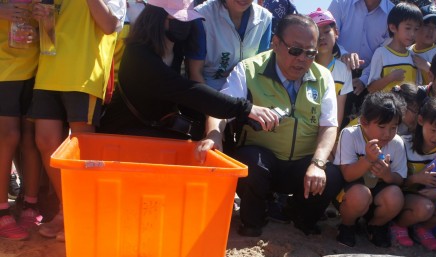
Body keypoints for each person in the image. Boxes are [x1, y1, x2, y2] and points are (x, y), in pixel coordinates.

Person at [198, 14, 344, 237]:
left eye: (310, 53)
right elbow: (221, 110)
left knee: (332, 175)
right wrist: (213, 135)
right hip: (263, 159)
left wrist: (318, 163)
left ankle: (299, 217)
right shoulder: (247, 70)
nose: (303, 59)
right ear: (275, 43)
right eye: (295, 50)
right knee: (250, 165)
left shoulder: (323, 76)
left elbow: (329, 126)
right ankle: (253, 220)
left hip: (302, 165)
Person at [100, 1, 279, 140]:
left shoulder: (177, 49)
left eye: (187, 20)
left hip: (154, 129)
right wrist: (245, 109)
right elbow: (185, 90)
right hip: (122, 132)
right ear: (156, 18)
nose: (183, 24)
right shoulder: (139, 55)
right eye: (177, 19)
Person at [28, 0, 126, 241]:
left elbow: (110, 25)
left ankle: (79, 213)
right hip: (49, 70)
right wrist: (39, 18)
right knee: (45, 142)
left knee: (83, 149)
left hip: (84, 74)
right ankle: (68, 209)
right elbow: (48, 27)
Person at [333, 91, 407, 248]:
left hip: (379, 191)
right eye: (382, 127)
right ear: (364, 122)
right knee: (360, 195)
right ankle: (347, 225)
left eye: (393, 127)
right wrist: (368, 160)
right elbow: (347, 175)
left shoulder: (397, 143)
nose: (387, 134)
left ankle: (375, 226)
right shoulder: (350, 134)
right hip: (352, 190)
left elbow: (400, 178)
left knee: (396, 197)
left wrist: (387, 175)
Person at [391, 96, 436, 250]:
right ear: (421, 120)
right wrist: (417, 179)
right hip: (403, 195)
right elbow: (393, 181)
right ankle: (399, 225)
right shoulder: (403, 144)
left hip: (431, 196)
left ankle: (422, 229)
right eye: (433, 130)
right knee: (425, 208)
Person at [0, 0, 42, 240]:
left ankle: (30, 204)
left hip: (39, 68)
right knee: (8, 136)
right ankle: (2, 210)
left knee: (31, 137)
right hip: (4, 68)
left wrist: (40, 30)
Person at [328, 0, 394, 125]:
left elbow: (385, 51)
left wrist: (364, 78)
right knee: (331, 123)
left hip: (372, 80)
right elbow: (325, 33)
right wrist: (343, 55)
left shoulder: (393, 13)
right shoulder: (340, 3)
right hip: (335, 74)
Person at [187, 0, 272, 90]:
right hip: (210, 90)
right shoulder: (201, 16)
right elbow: (195, 72)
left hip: (247, 88)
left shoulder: (265, 18)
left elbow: (261, 67)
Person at [309, 8, 353, 128]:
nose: (322, 37)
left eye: (327, 31)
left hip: (328, 132)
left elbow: (339, 108)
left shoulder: (344, 70)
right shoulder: (304, 66)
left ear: (336, 33)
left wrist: (333, 138)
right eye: (317, 33)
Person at [367, 2, 422, 93]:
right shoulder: (381, 53)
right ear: (393, 27)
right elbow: (371, 88)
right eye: (408, 28)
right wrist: (390, 78)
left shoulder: (413, 57)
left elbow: (417, 88)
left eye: (416, 29)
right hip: (386, 106)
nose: (412, 34)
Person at [411, 3, 436, 85]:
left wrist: (428, 68)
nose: (431, 30)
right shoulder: (407, 50)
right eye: (426, 25)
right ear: (417, 26)